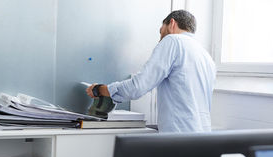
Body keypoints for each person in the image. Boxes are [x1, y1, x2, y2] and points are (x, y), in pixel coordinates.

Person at [86, 10, 216, 132]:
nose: (160, 39)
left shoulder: (172, 40)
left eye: (161, 32)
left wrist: (100, 89)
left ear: (172, 24)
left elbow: (137, 87)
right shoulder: (206, 56)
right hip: (203, 136)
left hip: (179, 136)